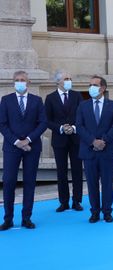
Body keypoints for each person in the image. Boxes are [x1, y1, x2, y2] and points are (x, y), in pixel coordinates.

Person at [0, 70, 47, 230]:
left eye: (23, 80)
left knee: (29, 182)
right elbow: (2, 124)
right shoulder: (6, 100)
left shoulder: (37, 100)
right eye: (17, 80)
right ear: (13, 82)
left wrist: (28, 140)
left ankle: (26, 218)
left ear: (28, 83)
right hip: (11, 148)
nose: (20, 82)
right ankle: (8, 219)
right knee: (8, 182)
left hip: (31, 147)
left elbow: (42, 123)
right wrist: (16, 142)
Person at [76, 75, 113, 223]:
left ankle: (107, 211)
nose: (91, 87)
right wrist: (92, 141)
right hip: (89, 151)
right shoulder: (83, 105)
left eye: (94, 85)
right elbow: (79, 126)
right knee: (91, 183)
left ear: (103, 88)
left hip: (107, 151)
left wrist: (104, 140)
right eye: (90, 84)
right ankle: (94, 212)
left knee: (107, 183)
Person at [45, 71, 84, 213]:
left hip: (75, 139)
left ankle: (77, 201)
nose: (69, 81)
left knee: (77, 171)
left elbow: (82, 115)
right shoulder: (50, 98)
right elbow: (47, 120)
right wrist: (61, 128)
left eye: (70, 78)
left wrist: (73, 127)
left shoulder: (77, 95)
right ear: (58, 82)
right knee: (61, 172)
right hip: (59, 140)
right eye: (66, 79)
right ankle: (64, 202)